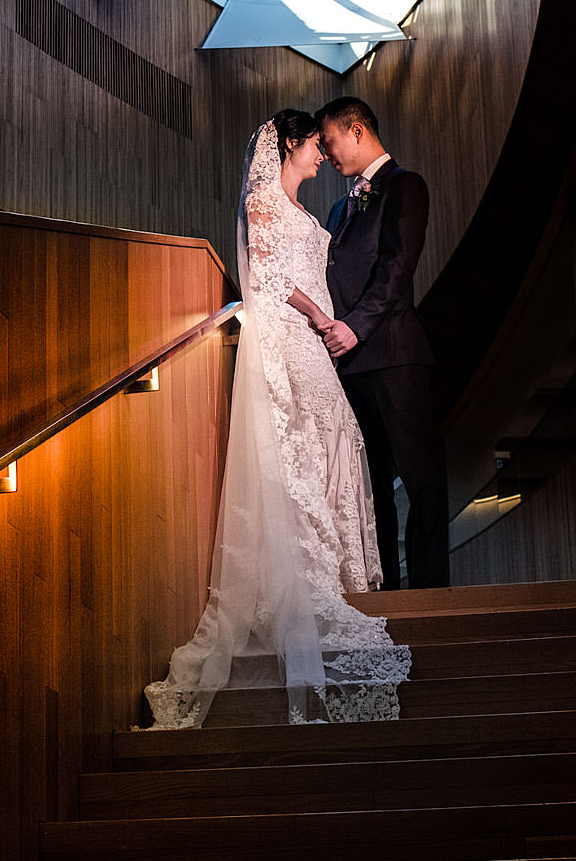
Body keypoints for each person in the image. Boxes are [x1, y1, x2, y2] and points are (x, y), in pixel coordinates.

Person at [142, 111, 411, 730]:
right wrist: (320, 318)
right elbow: (270, 278)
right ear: (289, 143)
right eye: (316, 145)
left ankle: (338, 572)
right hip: (292, 340)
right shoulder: (264, 199)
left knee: (333, 441)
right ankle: (304, 577)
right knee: (302, 448)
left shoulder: (313, 215)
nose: (322, 156)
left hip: (314, 346)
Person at [317, 96, 448, 590]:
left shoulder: (404, 185)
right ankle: (388, 591)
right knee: (371, 490)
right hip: (349, 366)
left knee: (422, 480)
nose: (327, 155)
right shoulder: (338, 206)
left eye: (329, 142)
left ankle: (432, 594)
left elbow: (397, 270)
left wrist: (355, 326)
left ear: (356, 131)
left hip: (395, 356)